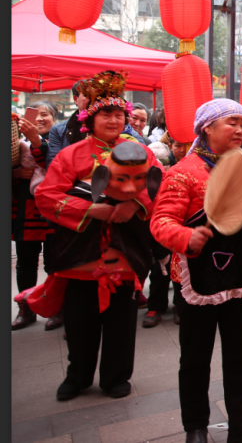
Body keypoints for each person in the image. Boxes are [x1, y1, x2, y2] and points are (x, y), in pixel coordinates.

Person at [151, 99, 242, 443]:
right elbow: (161, 223)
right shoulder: (183, 172)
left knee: (239, 356)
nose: (240, 129)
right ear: (207, 127)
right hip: (198, 281)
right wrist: (187, 236)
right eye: (231, 122)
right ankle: (196, 428)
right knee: (195, 359)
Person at [34, 71, 163, 401]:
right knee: (79, 322)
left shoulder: (141, 151)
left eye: (119, 114)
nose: (114, 119)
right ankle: (77, 376)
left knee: (121, 319)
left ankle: (117, 377)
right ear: (89, 119)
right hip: (82, 254)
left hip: (123, 251)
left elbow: (161, 188)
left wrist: (134, 204)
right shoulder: (71, 154)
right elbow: (46, 195)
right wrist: (90, 210)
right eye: (106, 113)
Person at [12, 101, 59, 330]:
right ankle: (26, 309)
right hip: (25, 208)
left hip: (52, 210)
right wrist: (15, 171)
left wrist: (35, 140)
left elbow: (53, 165)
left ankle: (54, 308)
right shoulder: (15, 142)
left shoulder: (59, 139)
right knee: (26, 262)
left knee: (54, 262)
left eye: (45, 115)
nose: (39, 119)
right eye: (34, 114)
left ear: (54, 119)